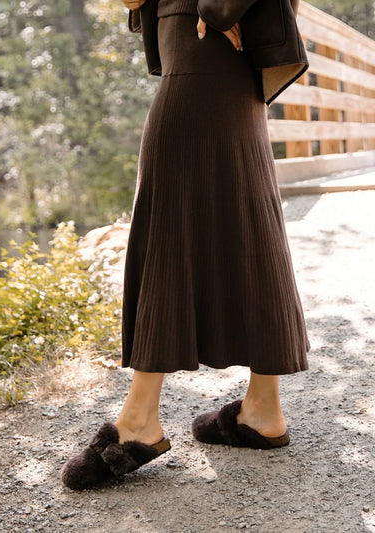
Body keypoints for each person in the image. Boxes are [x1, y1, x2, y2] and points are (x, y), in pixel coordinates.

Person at [61, 0, 310, 491]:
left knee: (168, 221)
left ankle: (138, 423)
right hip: (209, 51)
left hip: (204, 44)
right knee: (248, 217)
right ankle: (262, 408)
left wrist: (219, 8)